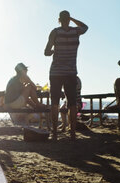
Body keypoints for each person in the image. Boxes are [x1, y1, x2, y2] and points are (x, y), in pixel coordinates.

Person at [44, 10, 88, 140]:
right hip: (70, 72)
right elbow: (85, 27)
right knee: (72, 103)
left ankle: (55, 134)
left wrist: (52, 51)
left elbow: (46, 52)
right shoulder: (76, 32)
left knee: (55, 102)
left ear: (59, 19)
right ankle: (73, 133)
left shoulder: (55, 32)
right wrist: (73, 19)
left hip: (56, 72)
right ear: (68, 19)